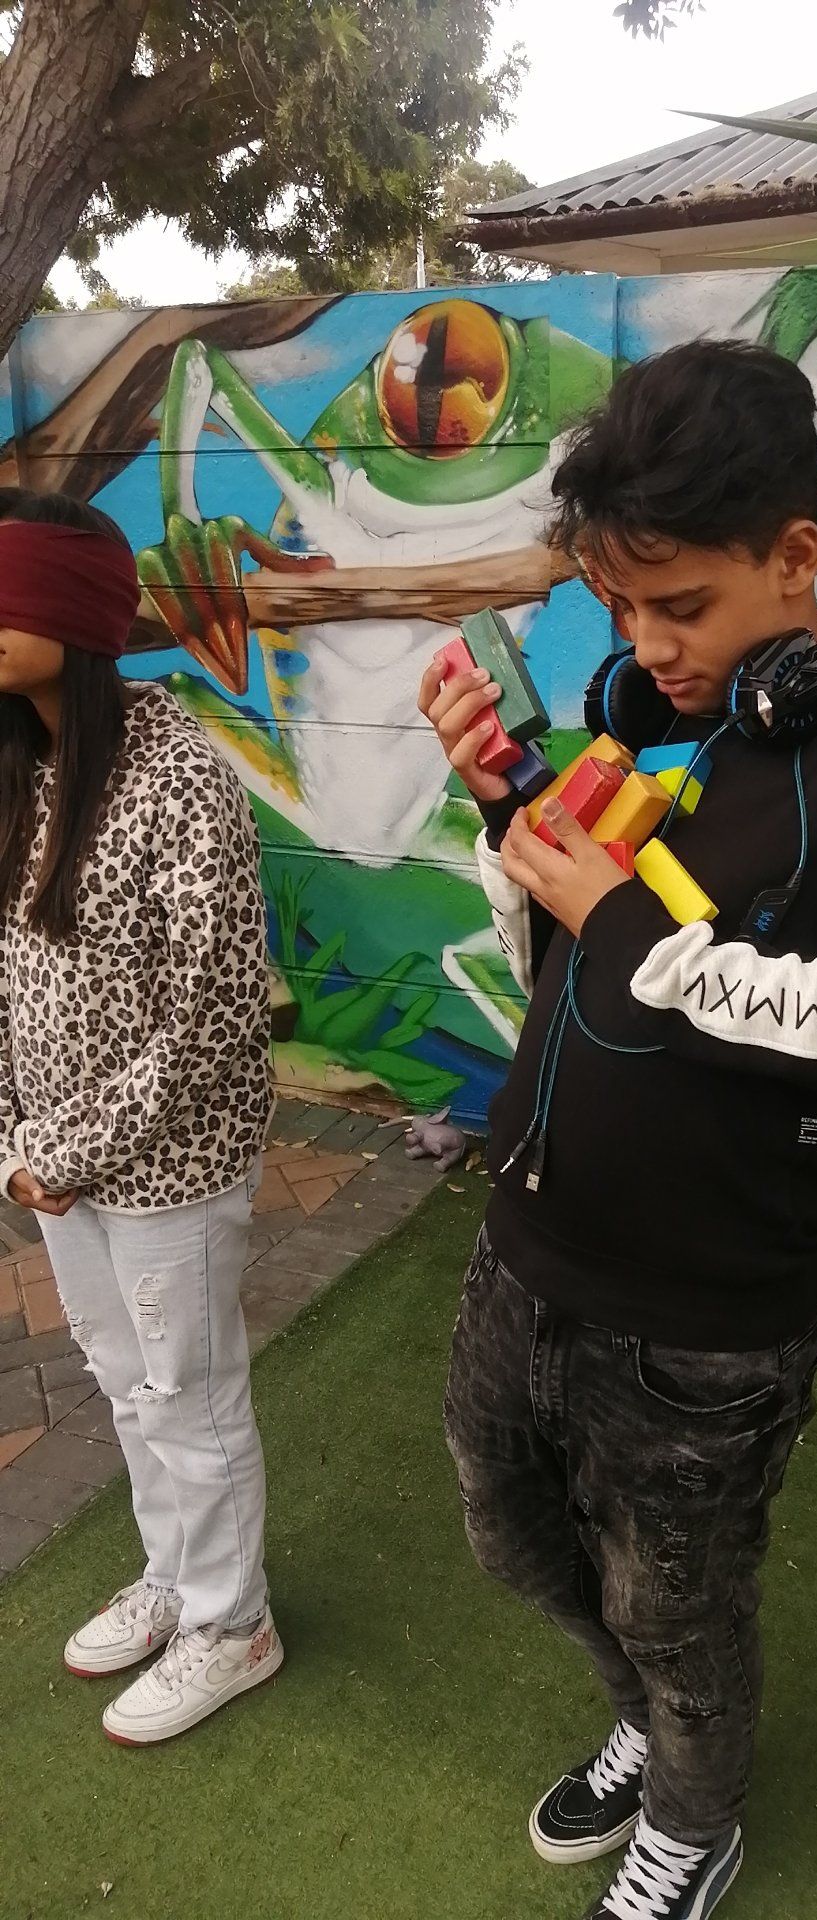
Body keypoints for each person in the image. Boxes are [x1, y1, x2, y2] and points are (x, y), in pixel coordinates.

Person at [419, 341, 817, 1920]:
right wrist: (510, 816)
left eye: (679, 605)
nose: (647, 647)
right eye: (621, 608)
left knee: (683, 1614)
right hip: (523, 1251)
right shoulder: (669, 723)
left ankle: (693, 1819)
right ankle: (642, 1720)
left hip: (703, 1326)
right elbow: (567, 966)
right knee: (510, 1538)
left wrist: (626, 922)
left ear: (797, 557)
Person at [0, 488, 281, 1744]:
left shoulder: (181, 781)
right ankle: (175, 1579)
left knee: (191, 1397)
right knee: (125, 1385)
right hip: (57, 1167)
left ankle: (236, 1623)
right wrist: (17, 1143)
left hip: (170, 1168)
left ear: (69, 614)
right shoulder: (23, 766)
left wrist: (65, 1148)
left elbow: (212, 1014)